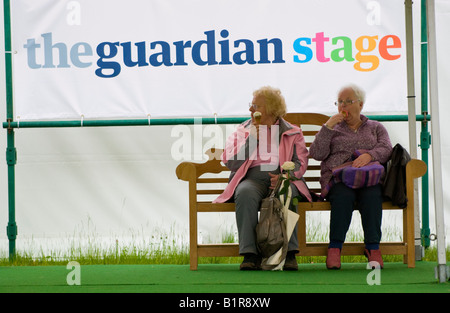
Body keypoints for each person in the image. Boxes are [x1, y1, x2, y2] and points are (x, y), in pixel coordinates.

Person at [214, 86, 312, 271]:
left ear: (270, 109)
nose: (251, 109)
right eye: (251, 105)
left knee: (288, 192)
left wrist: (286, 177)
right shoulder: (243, 130)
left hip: (283, 177)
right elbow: (230, 162)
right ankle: (250, 254)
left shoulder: (292, 132)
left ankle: (289, 253)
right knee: (244, 193)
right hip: (252, 179)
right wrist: (252, 139)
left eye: (255, 105)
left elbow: (300, 162)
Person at [309, 84, 392, 270]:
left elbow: (387, 149)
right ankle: (335, 248)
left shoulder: (375, 127)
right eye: (340, 102)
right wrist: (328, 126)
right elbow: (316, 153)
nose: (343, 106)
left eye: (348, 101)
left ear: (360, 105)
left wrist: (370, 155)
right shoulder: (332, 129)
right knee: (342, 196)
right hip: (338, 179)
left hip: (368, 178)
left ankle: (373, 248)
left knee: (372, 195)